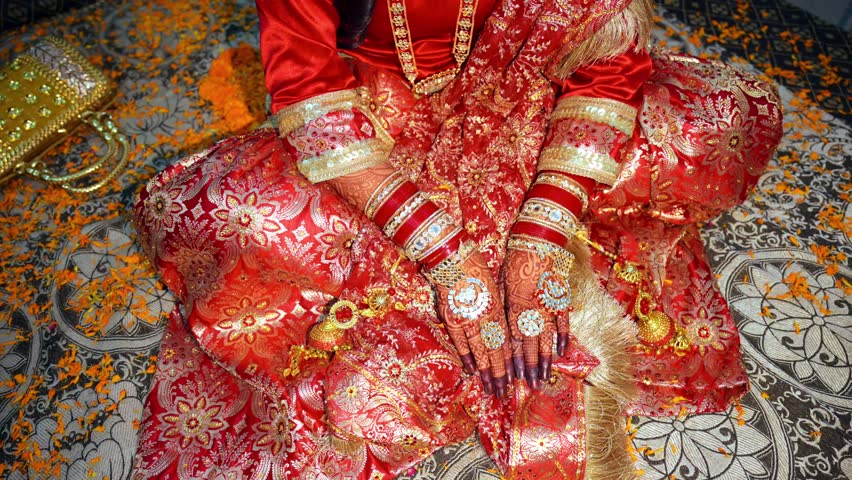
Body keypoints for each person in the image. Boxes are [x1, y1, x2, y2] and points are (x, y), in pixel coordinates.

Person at [131, 0, 782, 478]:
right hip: (375, 129)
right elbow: (312, 95)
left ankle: (429, 288)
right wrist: (444, 253)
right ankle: (420, 281)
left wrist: (540, 231)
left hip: (533, 94)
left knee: (718, 120)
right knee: (237, 215)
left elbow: (608, 68)